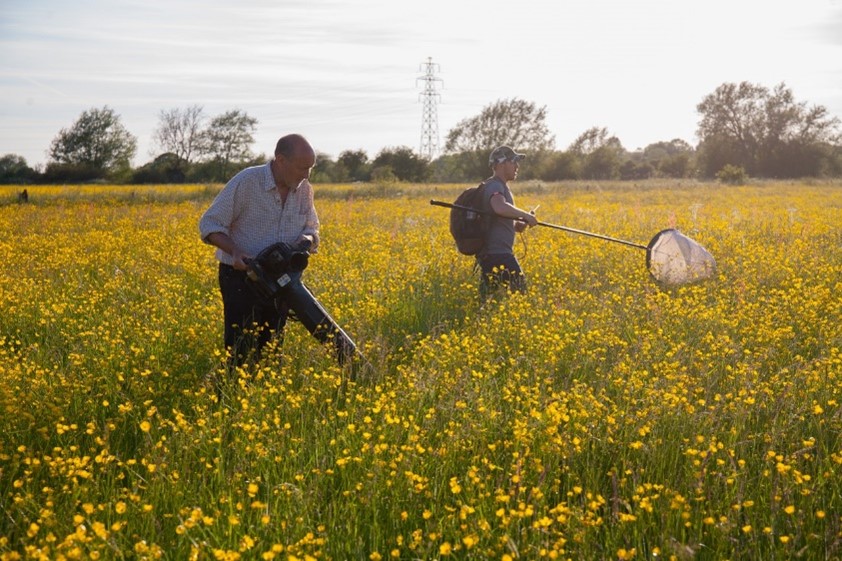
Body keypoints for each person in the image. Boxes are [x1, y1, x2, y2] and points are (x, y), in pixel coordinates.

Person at [199, 133, 320, 366]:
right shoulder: (247, 182)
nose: (306, 175)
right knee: (241, 352)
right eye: (302, 167)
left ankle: (262, 396)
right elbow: (210, 225)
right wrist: (235, 251)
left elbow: (312, 229)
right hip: (242, 279)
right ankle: (235, 395)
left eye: (310, 168)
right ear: (281, 160)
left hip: (283, 280)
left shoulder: (304, 189)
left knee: (271, 352)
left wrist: (305, 241)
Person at [477, 145, 539, 299]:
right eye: (513, 162)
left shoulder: (498, 186)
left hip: (491, 255)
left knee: (488, 302)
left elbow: (502, 218)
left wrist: (520, 224)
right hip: (499, 255)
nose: (517, 166)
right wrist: (525, 215)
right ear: (501, 164)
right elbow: (499, 207)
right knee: (521, 295)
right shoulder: (495, 185)